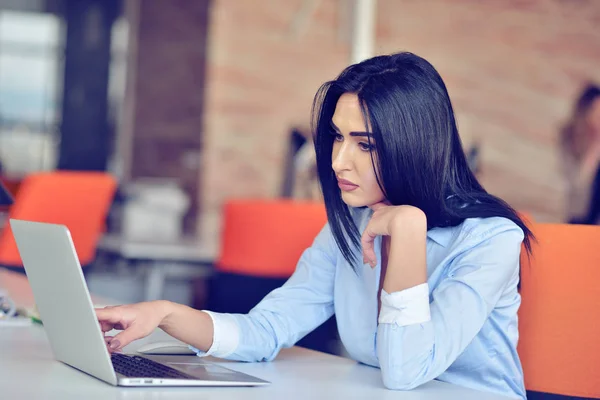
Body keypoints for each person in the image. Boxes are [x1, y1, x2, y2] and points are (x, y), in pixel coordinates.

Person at [96, 52, 533, 399]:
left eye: (365, 144)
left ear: (414, 147)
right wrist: (165, 313)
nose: (338, 160)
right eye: (338, 138)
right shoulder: (349, 225)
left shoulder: (490, 240)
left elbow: (406, 370)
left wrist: (409, 230)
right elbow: (265, 331)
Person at [560, 84, 600, 225]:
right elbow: (578, 185)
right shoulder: (570, 137)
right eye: (595, 110)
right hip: (580, 216)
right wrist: (595, 147)